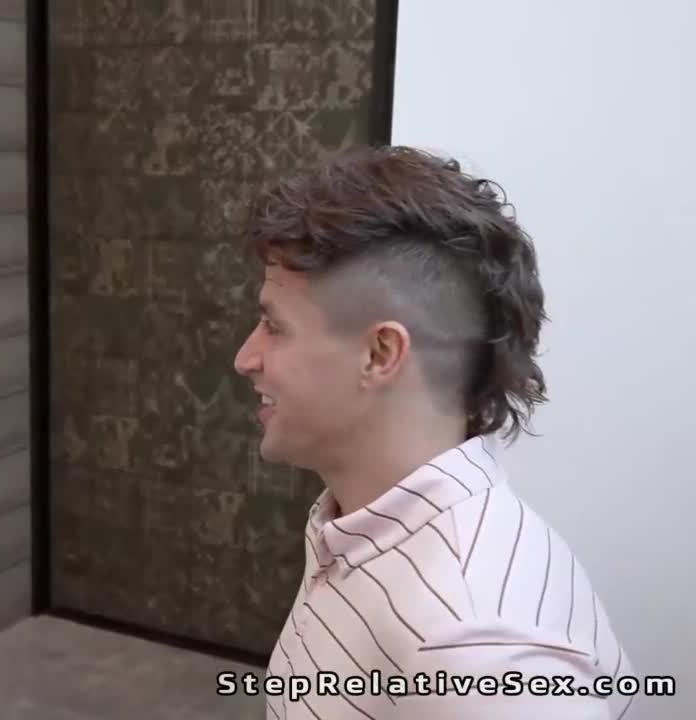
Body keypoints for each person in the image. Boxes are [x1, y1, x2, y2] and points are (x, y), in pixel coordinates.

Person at [233, 145, 636, 719]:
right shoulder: (361, 528)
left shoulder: (476, 644)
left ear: (380, 354)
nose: (245, 358)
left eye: (274, 326)